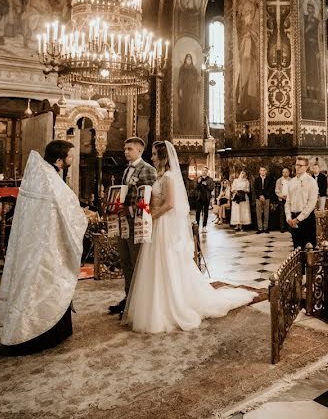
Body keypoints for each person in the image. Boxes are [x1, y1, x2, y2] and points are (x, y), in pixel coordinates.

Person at [122, 141, 256, 334]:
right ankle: (157, 303)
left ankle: (174, 303)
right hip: (158, 222)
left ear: (163, 157)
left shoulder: (168, 177)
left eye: (153, 154)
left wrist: (153, 214)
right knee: (155, 262)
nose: (151, 157)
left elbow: (169, 204)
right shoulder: (160, 176)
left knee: (167, 260)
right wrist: (146, 208)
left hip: (164, 223)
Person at [0, 140, 87, 354]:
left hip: (37, 242)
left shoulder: (42, 175)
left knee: (34, 283)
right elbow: (70, 211)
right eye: (71, 156)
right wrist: (83, 218)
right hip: (47, 245)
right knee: (44, 285)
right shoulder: (50, 181)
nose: (73, 160)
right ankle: (37, 334)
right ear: (59, 160)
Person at [109, 138, 157, 317]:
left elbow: (150, 199)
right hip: (123, 222)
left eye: (129, 149)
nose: (125, 152)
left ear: (139, 150)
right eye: (124, 148)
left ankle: (138, 303)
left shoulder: (148, 170)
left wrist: (128, 209)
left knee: (137, 263)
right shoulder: (126, 170)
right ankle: (128, 298)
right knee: (126, 262)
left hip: (137, 222)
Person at [285, 157, 318, 249]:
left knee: (309, 249)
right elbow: (288, 202)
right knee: (297, 248)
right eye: (296, 165)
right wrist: (288, 217)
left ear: (306, 167)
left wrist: (298, 219)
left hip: (306, 218)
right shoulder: (291, 182)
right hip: (293, 218)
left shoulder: (311, 182)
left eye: (300, 165)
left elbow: (311, 204)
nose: (297, 167)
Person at [253, 166, 274, 234]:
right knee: (258, 213)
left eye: (264, 170)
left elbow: (270, 189)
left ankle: (265, 228)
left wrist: (264, 196)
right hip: (258, 198)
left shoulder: (269, 179)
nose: (262, 171)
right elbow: (255, 189)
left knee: (266, 213)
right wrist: (260, 196)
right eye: (261, 170)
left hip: (266, 198)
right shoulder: (256, 179)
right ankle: (260, 228)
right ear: (259, 171)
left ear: (266, 171)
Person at [195, 167, 215, 232]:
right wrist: (198, 183)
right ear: (201, 171)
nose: (204, 171)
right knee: (198, 212)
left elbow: (211, 188)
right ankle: (197, 226)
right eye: (203, 170)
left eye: (205, 170)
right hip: (199, 198)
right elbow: (194, 188)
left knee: (205, 213)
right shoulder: (198, 178)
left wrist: (206, 185)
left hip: (206, 198)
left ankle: (204, 226)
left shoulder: (210, 179)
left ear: (207, 172)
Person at [275, 167, 291, 233]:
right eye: (283, 172)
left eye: (286, 172)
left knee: (289, 213)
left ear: (289, 173)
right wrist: (281, 196)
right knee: (282, 213)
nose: (285, 173)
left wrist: (289, 196)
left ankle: (289, 227)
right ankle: (282, 228)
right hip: (281, 199)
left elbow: (293, 189)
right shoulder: (279, 180)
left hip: (289, 199)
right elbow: (277, 190)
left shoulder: (291, 180)